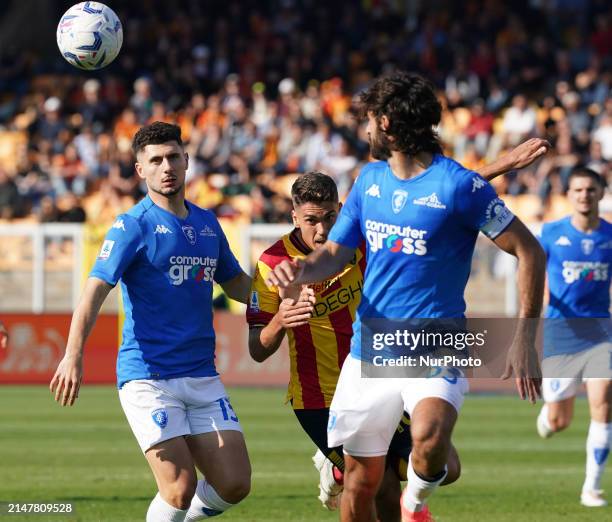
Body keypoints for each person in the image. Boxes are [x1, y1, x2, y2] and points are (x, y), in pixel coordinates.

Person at [266, 71, 547, 522]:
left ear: (390, 125)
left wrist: (525, 336)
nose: (366, 129)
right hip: (370, 348)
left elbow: (529, 250)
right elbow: (335, 253)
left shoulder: (460, 186)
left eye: (371, 120)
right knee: (360, 480)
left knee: (432, 440)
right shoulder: (369, 181)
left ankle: (413, 504)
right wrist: (301, 269)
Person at [50, 122, 252, 522]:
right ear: (140, 170)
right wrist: (72, 355)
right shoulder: (131, 226)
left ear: (187, 160)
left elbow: (235, 284)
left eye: (173, 157)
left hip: (201, 374)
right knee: (178, 487)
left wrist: (282, 299)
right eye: (155, 160)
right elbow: (94, 292)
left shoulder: (208, 224)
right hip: (148, 377)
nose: (166, 167)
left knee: (234, 484)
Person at [534, 167, 612, 508]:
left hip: (600, 333)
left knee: (604, 402)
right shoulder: (551, 234)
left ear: (600, 193)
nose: (585, 195)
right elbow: (532, 273)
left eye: (591, 190)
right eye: (578, 190)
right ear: (569, 195)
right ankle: (549, 417)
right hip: (560, 334)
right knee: (558, 421)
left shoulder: (611, 236)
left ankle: (591, 488)